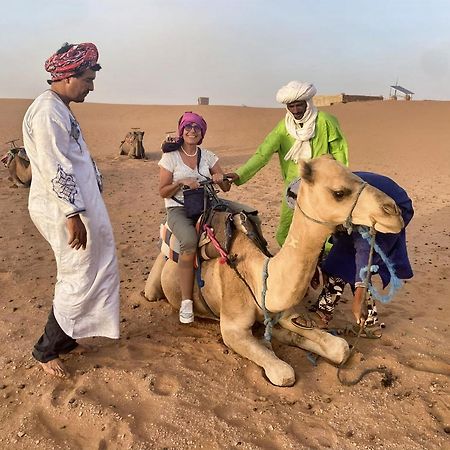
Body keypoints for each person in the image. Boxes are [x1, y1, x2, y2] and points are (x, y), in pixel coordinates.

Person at [22, 42, 120, 377]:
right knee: (77, 273)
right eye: (88, 80)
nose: (91, 86)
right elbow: (53, 167)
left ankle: (67, 337)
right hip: (61, 209)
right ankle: (46, 350)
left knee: (93, 267)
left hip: (77, 206)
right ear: (67, 77)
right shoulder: (48, 111)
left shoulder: (59, 107)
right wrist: (72, 214)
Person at [226, 80, 349, 246]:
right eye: (291, 106)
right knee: (284, 234)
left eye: (299, 105)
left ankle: (326, 266)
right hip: (293, 189)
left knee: (326, 235)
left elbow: (339, 154)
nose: (296, 111)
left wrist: (340, 184)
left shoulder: (325, 121)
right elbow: (262, 155)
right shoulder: (283, 128)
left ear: (307, 102)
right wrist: (240, 174)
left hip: (323, 186)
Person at [293, 172, 414, 338]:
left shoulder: (351, 204)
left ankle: (360, 322)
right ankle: (331, 313)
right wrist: (314, 264)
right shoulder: (326, 194)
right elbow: (318, 234)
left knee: (348, 264)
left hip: (390, 210)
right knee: (338, 261)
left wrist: (358, 298)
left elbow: (364, 251)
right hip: (372, 202)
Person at [158, 112, 232, 324]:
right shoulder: (170, 158)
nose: (192, 131)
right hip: (178, 208)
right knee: (189, 241)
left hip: (207, 204)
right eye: (188, 127)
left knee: (243, 217)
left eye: (197, 128)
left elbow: (225, 187)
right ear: (182, 131)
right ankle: (187, 302)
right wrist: (181, 182)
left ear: (202, 133)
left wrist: (220, 178)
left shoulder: (208, 156)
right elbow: (163, 191)